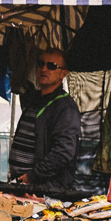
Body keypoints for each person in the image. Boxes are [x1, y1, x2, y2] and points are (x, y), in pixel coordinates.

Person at [8, 48, 81, 192]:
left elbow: (63, 152)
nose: (44, 69)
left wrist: (33, 176)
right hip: (26, 187)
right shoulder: (34, 99)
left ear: (63, 73)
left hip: (45, 190)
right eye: (41, 64)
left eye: (51, 66)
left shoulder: (65, 107)